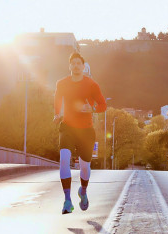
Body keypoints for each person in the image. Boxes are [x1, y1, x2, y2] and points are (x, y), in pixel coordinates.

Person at [54, 52, 107, 214]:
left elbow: (103, 105)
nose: (76, 66)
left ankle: (83, 191)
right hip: (68, 127)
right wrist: (57, 114)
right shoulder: (62, 83)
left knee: (85, 167)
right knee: (64, 160)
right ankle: (67, 200)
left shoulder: (92, 85)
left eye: (79, 64)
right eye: (73, 63)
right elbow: (57, 99)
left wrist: (92, 109)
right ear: (69, 66)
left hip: (86, 130)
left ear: (83, 67)